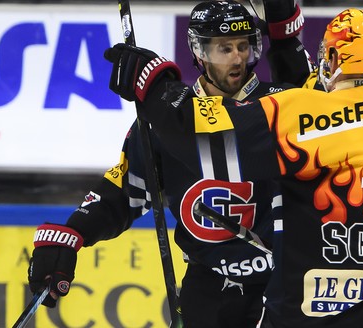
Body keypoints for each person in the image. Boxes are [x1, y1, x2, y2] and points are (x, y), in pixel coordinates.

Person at [102, 8, 363, 327]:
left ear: (335, 57)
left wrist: (154, 83)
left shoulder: (303, 111)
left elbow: (209, 143)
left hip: (310, 310)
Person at [26, 1, 311, 327]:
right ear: (200, 51)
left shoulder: (282, 103)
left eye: (243, 46)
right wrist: (73, 233)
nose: (237, 57)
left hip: (282, 282)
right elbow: (125, 190)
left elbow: (230, 132)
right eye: (224, 48)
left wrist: (288, 40)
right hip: (208, 288)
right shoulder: (162, 123)